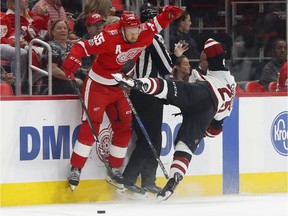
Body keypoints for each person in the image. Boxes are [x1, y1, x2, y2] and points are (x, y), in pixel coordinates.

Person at [60, 5, 183, 191]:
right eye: (130, 31)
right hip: (98, 86)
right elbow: (82, 46)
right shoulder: (109, 36)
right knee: (91, 126)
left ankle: (115, 169)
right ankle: (76, 167)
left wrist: (168, 14)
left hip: (119, 85)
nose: (134, 34)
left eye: (136, 29)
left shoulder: (144, 31)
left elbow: (158, 23)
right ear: (121, 28)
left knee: (124, 127)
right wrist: (73, 59)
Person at [112, 38, 236, 200]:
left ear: (209, 59)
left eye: (202, 58)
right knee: (186, 145)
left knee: (170, 89)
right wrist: (203, 133)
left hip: (205, 93)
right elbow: (215, 130)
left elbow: (193, 79)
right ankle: (174, 177)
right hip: (209, 110)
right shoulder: (231, 83)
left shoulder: (208, 76)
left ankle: (136, 83)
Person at [121, 7, 188, 194]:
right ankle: (134, 178)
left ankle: (143, 179)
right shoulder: (152, 37)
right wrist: (174, 57)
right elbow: (166, 67)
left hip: (136, 91)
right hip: (150, 92)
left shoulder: (134, 37)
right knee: (152, 139)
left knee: (146, 138)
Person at [40, 19, 82, 94]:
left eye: (65, 28)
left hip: (71, 79)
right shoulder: (50, 46)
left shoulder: (71, 46)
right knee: (73, 84)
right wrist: (71, 79)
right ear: (52, 32)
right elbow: (53, 69)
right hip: (52, 84)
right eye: (59, 28)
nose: (63, 30)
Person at [79, 13, 106, 80]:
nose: (98, 27)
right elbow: (86, 68)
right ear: (88, 28)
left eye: (100, 24)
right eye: (95, 25)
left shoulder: (108, 41)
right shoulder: (83, 44)